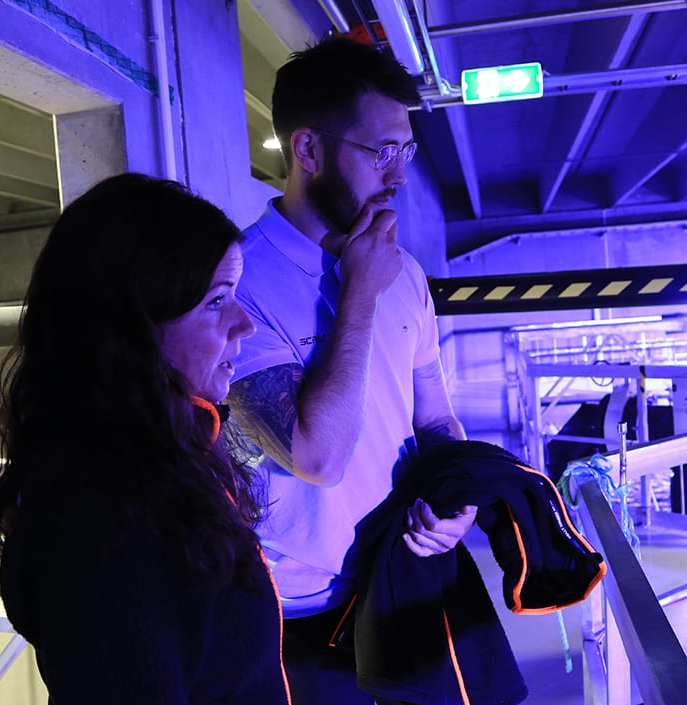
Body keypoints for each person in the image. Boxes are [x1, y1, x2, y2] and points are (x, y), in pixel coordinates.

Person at [0, 173, 290, 704]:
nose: (245, 324)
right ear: (130, 326)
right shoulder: (104, 522)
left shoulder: (165, 459)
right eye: (216, 301)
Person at [227, 37, 478, 704]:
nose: (398, 176)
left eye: (407, 152)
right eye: (380, 152)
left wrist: (455, 498)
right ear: (309, 150)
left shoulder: (407, 274)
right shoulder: (238, 282)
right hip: (295, 613)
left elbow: (434, 417)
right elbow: (317, 455)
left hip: (398, 577)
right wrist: (359, 291)